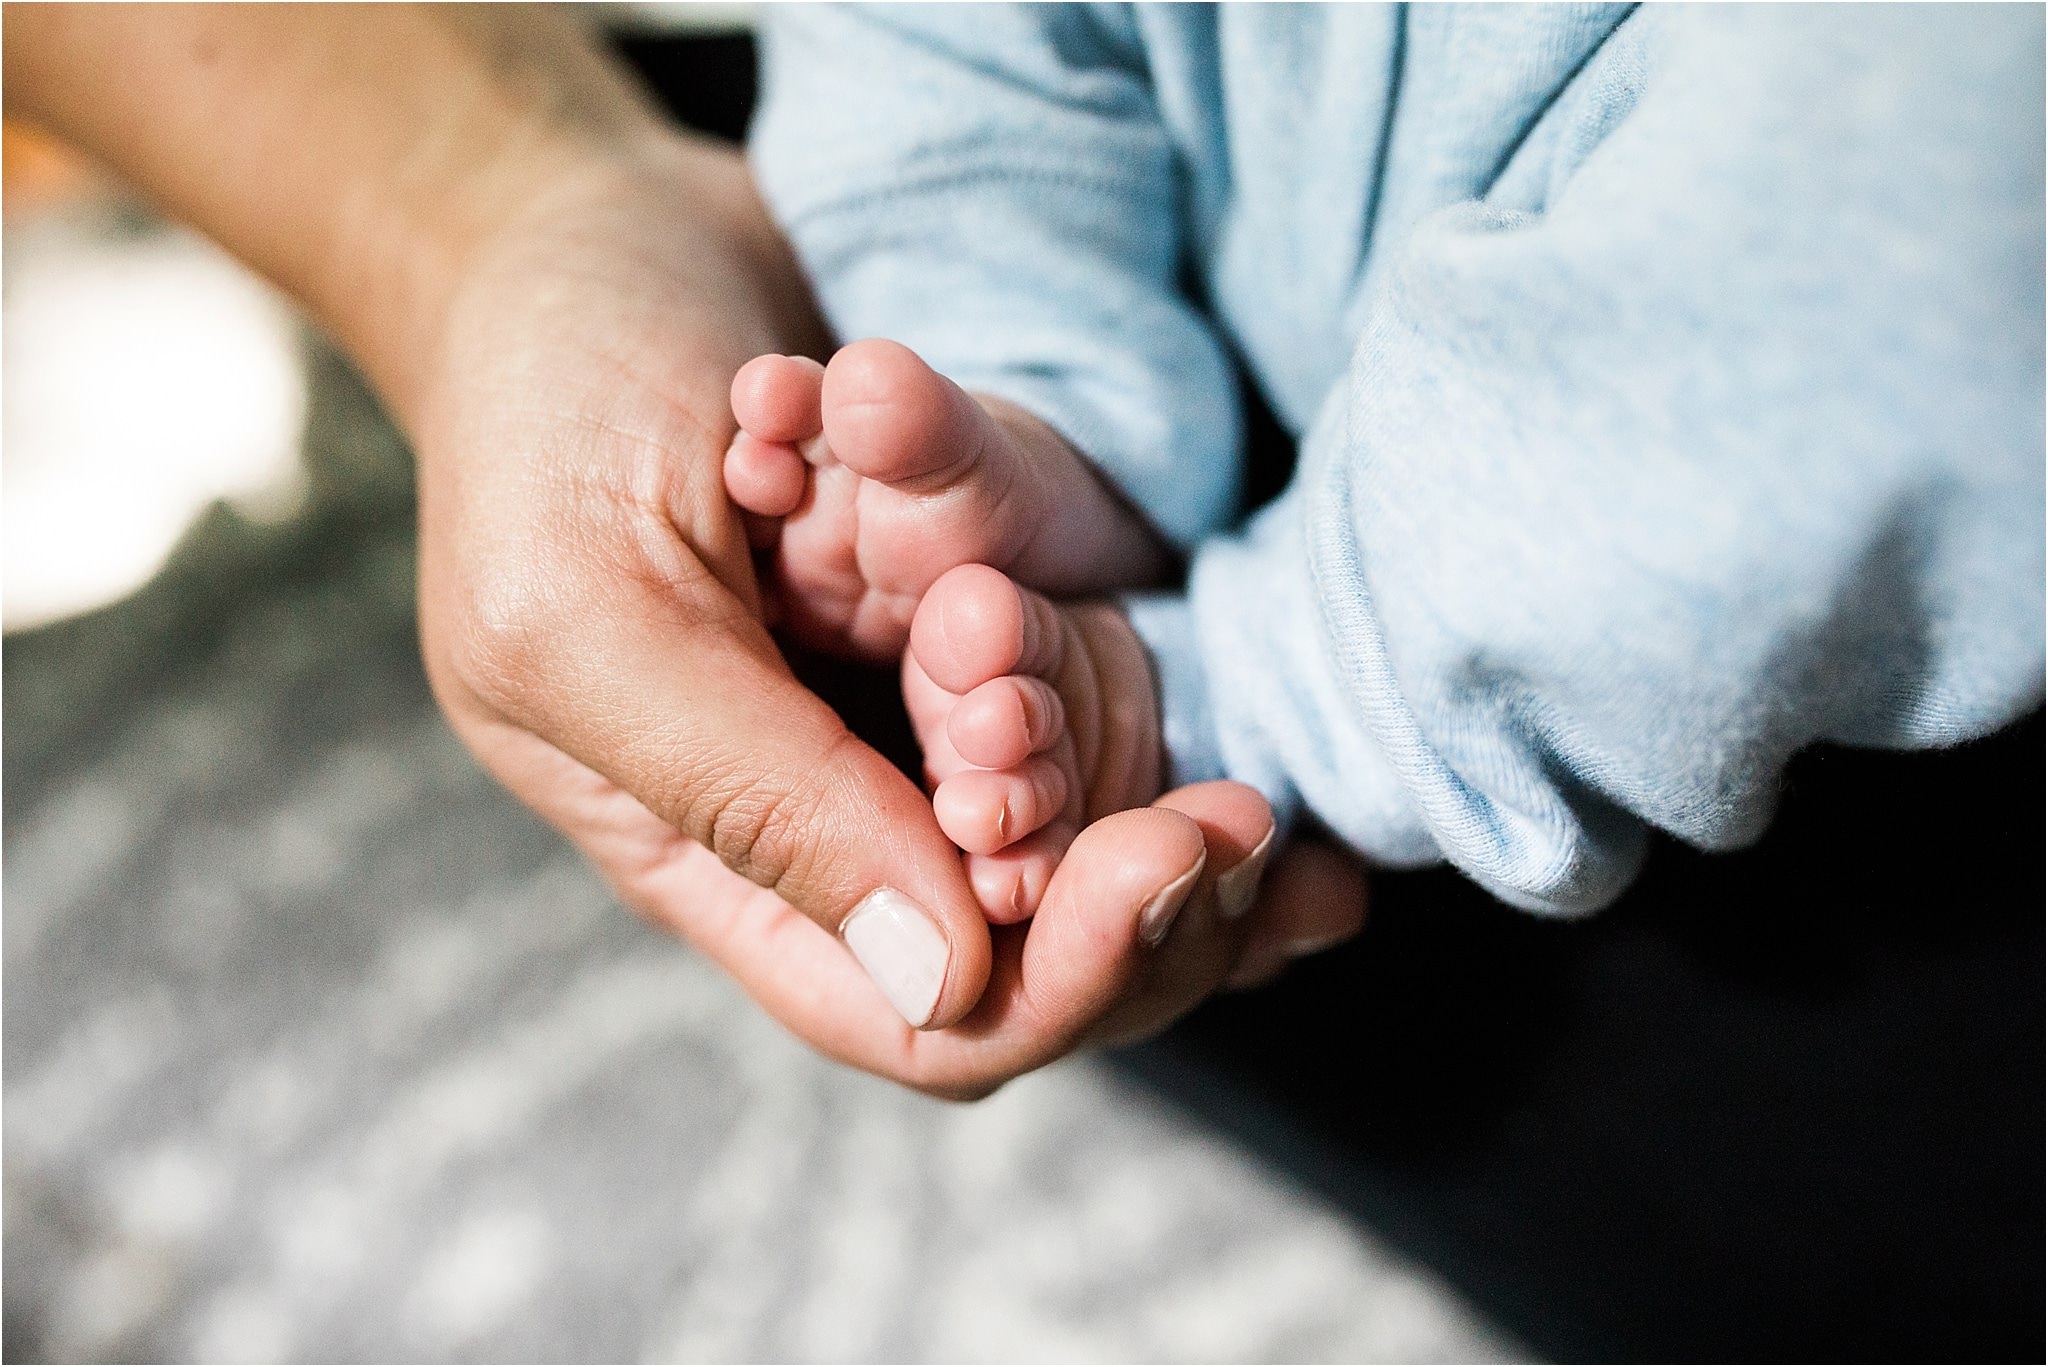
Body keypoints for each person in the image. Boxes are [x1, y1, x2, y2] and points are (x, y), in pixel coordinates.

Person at [4, 5, 1355, 1098]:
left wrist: (1231, 685)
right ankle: (1050, 432)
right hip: (761, 142)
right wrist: (499, 222)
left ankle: (1072, 500)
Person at [728, 4, 2044, 922]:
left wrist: (1279, 680)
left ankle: (1279, 677)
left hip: (1698, 275)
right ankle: (1039, 381)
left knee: (1887, 215)